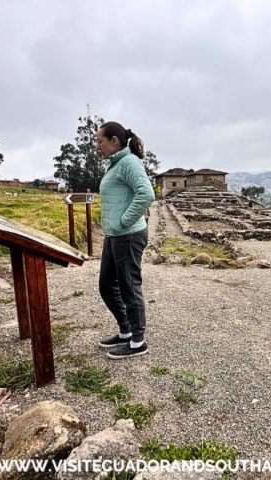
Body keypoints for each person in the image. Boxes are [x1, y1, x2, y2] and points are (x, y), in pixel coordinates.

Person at [95, 121, 155, 359]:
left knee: (129, 287)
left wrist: (123, 221)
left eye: (100, 141)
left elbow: (146, 193)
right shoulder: (114, 164)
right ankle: (125, 331)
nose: (97, 146)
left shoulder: (129, 162)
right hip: (115, 235)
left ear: (114, 141)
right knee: (107, 285)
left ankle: (138, 342)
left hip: (128, 235)